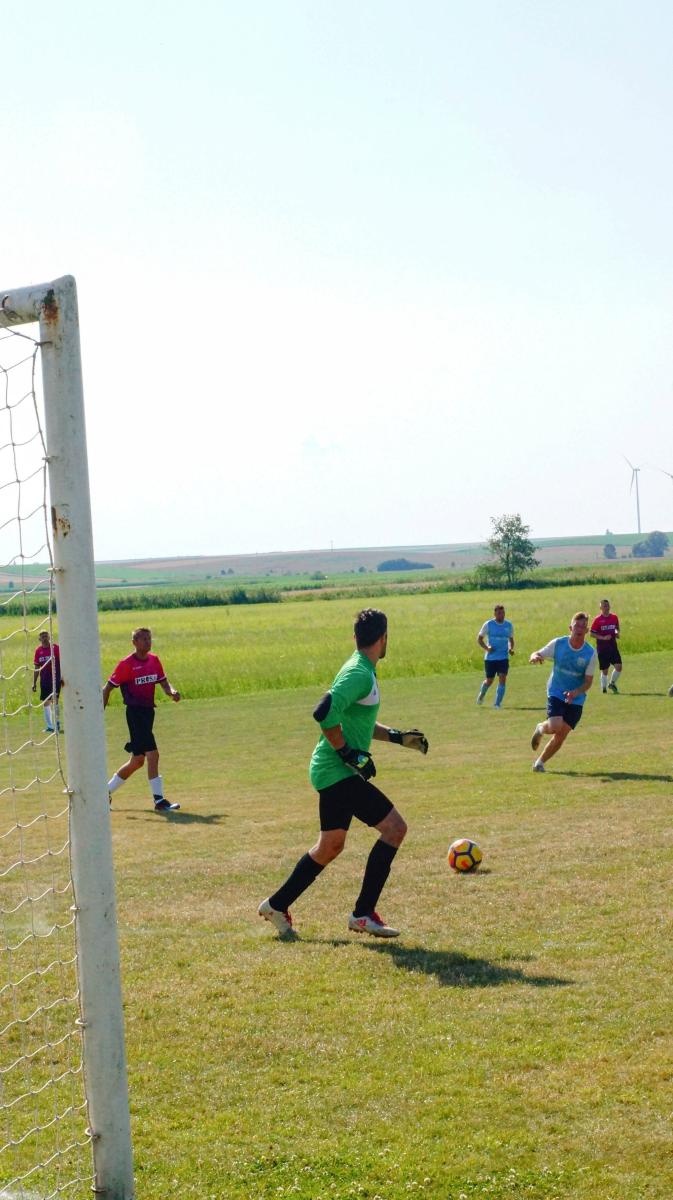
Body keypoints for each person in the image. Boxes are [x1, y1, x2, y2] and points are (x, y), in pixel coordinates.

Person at [258, 608, 429, 940]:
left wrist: (396, 736)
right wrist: (348, 753)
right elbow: (323, 712)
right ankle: (362, 914)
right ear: (384, 639)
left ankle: (276, 905)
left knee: (330, 846)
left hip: (333, 770)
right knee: (395, 829)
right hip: (337, 771)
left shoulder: (361, 668)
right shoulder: (360, 673)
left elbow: (355, 721)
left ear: (356, 637)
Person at [102, 627, 181, 812]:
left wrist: (171, 692)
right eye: (143, 639)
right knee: (153, 755)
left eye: (149, 638)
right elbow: (108, 687)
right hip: (135, 714)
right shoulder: (126, 664)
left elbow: (163, 681)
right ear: (134, 643)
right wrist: (100, 711)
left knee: (137, 761)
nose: (148, 642)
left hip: (148, 714)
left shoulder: (154, 660)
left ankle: (103, 793)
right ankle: (159, 801)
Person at [528, 612, 596, 772]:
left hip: (576, 698)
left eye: (583, 626)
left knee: (562, 734)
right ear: (570, 627)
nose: (579, 629)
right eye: (577, 625)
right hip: (557, 691)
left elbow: (588, 682)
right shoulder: (559, 644)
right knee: (555, 725)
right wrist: (534, 656)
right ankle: (541, 728)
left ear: (587, 630)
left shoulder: (590, 653)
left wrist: (575, 693)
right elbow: (537, 653)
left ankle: (539, 763)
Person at [476, 604, 514, 708]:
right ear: (495, 614)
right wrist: (487, 648)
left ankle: (497, 704)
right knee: (489, 680)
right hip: (490, 658)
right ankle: (482, 695)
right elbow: (479, 639)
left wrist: (510, 648)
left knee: (503, 678)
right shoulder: (488, 624)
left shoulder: (509, 625)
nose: (501, 615)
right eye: (499, 613)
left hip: (503, 657)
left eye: (503, 613)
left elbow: (511, 640)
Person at [32, 630, 62, 733]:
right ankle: (50, 726)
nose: (44, 638)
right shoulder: (38, 651)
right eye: (42, 636)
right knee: (46, 702)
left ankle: (57, 724)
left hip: (55, 679)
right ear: (39, 639)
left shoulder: (56, 648)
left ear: (49, 637)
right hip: (44, 681)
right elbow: (36, 667)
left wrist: (63, 677)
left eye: (46, 635)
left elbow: (63, 662)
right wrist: (34, 682)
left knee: (55, 700)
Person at [590, 599, 622, 693]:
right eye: (604, 606)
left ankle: (612, 683)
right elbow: (592, 633)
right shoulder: (597, 620)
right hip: (602, 649)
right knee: (605, 670)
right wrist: (603, 638)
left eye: (607, 606)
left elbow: (617, 628)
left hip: (613, 647)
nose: (606, 608)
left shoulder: (614, 617)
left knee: (619, 667)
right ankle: (604, 688)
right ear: (600, 608)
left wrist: (617, 633)